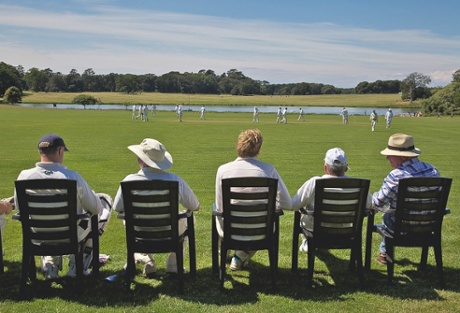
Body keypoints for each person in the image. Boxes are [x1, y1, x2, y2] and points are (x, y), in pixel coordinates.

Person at [14, 134, 112, 280]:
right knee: (104, 202)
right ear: (60, 151)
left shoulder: (24, 176)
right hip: (69, 235)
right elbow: (96, 208)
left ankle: (51, 265)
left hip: (37, 235)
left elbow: (18, 207)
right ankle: (77, 265)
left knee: (50, 220)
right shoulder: (72, 177)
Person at [113, 138, 200, 276]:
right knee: (190, 219)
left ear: (140, 159)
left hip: (140, 233)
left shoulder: (129, 180)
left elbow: (117, 207)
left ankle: (148, 259)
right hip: (169, 233)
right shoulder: (175, 180)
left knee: (128, 219)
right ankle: (174, 264)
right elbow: (195, 206)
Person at [214, 129, 291, 270]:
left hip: (231, 229)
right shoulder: (269, 170)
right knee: (263, 218)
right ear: (258, 150)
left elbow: (220, 207)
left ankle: (224, 254)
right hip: (261, 230)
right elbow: (287, 203)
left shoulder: (223, 170)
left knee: (218, 212)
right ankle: (240, 256)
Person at [372, 133, 440, 265]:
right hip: (428, 226)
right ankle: (384, 253)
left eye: (390, 154)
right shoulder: (433, 170)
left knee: (387, 216)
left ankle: (385, 253)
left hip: (401, 227)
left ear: (402, 156)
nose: (387, 158)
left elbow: (378, 202)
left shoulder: (396, 176)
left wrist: (371, 201)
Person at [291, 148, 371, 252]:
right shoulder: (359, 185)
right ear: (346, 168)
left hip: (316, 231)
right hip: (344, 231)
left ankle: (308, 242)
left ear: (325, 167)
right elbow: (370, 204)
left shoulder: (314, 182)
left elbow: (294, 205)